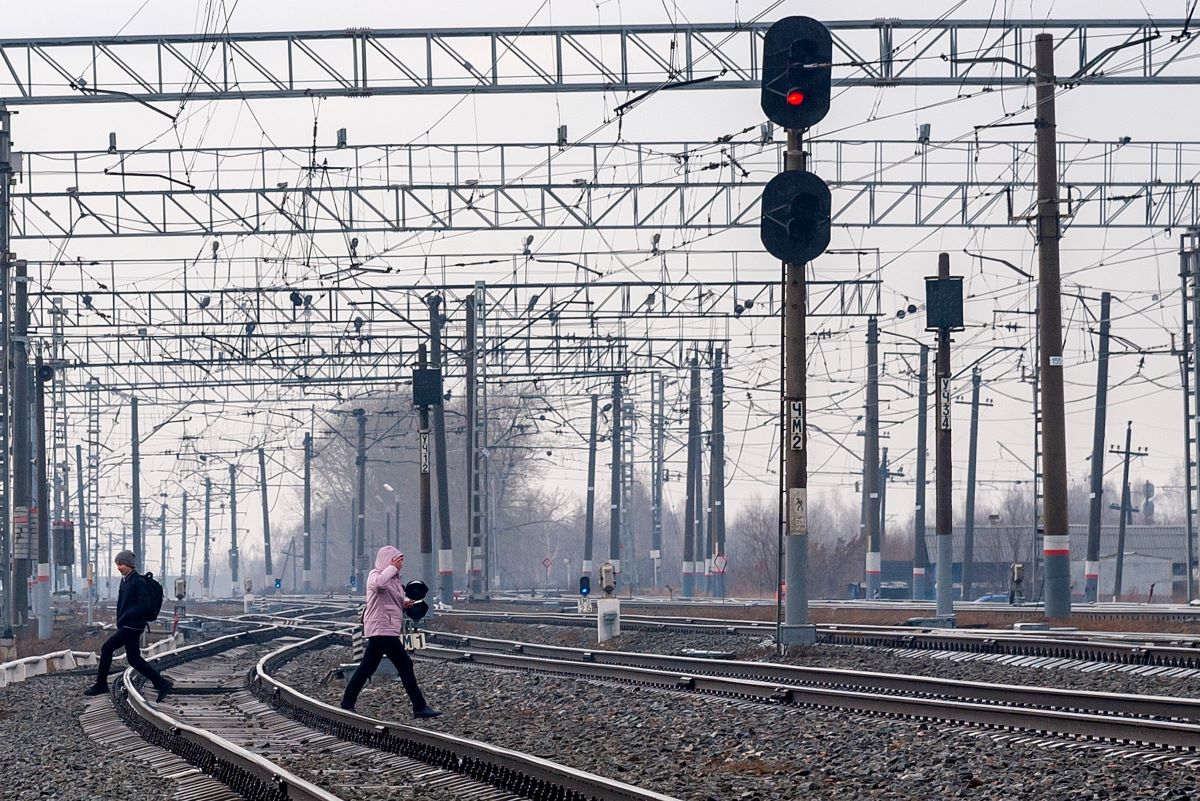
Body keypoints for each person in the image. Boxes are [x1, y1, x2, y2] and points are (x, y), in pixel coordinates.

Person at [340, 545, 440, 718]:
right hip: (382, 629)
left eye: (400, 561)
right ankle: (419, 707)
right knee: (405, 665)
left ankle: (347, 703)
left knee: (366, 668)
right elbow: (378, 586)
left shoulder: (393, 580)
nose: (400, 564)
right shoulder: (375, 575)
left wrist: (404, 604)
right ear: (387, 560)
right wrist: (391, 567)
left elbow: (388, 601)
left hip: (385, 628)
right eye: (397, 560)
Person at [83, 550, 173, 701]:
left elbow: (145, 605)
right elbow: (121, 604)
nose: (119, 567)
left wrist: (128, 615)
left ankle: (100, 684)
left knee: (107, 648)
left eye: (122, 564)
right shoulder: (125, 581)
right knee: (133, 659)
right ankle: (161, 683)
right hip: (127, 625)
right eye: (117, 564)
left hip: (133, 625)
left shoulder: (138, 581)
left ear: (130, 565)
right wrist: (120, 619)